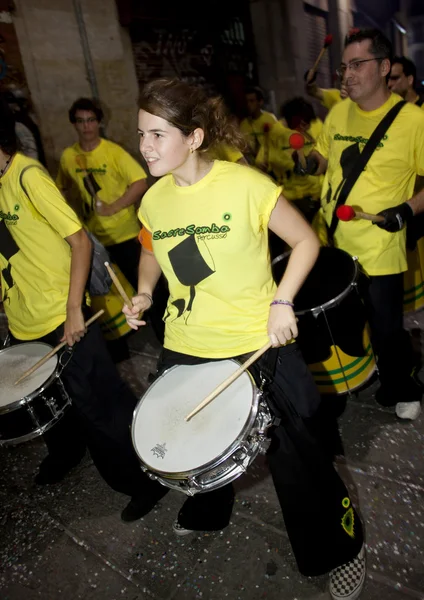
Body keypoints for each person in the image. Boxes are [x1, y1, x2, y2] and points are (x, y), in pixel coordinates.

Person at [123, 78, 366, 600]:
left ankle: (337, 546)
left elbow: (305, 241)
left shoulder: (245, 185)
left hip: (253, 341)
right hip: (186, 341)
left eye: (158, 135)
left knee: (297, 457)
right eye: (141, 133)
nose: (144, 146)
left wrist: (281, 303)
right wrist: (144, 292)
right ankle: (211, 506)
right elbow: (151, 248)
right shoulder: (152, 200)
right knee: (194, 444)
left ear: (193, 136)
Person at [0, 99, 166, 521]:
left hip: (62, 312)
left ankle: (143, 480)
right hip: (23, 316)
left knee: (100, 405)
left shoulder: (27, 175)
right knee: (51, 399)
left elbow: (79, 241)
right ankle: (66, 453)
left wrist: (75, 309)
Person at [298, 28, 424, 420]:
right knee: (344, 316)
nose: (346, 74)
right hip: (331, 237)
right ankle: (358, 372)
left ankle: (403, 386)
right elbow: (324, 156)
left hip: (379, 245)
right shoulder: (338, 111)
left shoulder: (413, 122)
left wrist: (406, 209)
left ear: (384, 67)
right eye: (343, 66)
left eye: (357, 65)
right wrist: (307, 162)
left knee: (386, 326)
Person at [56, 98, 148, 291]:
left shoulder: (114, 152)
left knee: (143, 287)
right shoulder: (68, 156)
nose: (86, 126)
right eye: (80, 121)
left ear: (98, 122)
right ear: (74, 124)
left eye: (90, 120)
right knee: (110, 292)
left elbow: (140, 182)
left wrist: (113, 207)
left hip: (124, 234)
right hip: (93, 238)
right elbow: (60, 189)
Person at [256, 97, 323, 223]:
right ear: (291, 118)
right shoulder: (275, 133)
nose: (307, 126)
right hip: (291, 197)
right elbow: (263, 162)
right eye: (303, 122)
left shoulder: (316, 125)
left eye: (308, 122)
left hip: (316, 194)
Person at [240, 86, 277, 161]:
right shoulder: (243, 124)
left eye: (252, 101)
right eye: (247, 101)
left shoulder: (270, 119)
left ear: (260, 102)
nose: (248, 104)